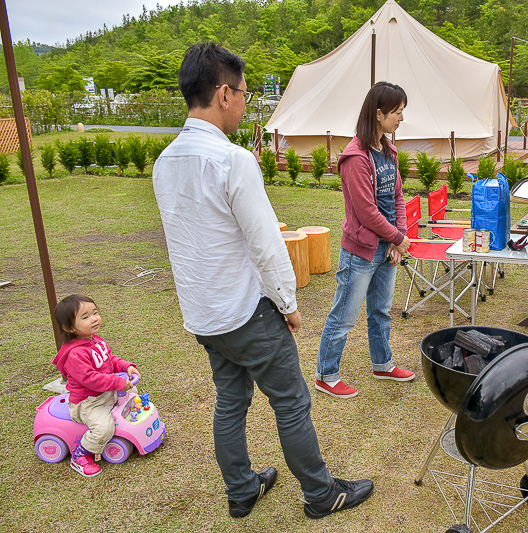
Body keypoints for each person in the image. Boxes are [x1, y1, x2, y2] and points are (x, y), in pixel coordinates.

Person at [152, 42, 373, 519]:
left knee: (230, 400)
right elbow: (266, 244)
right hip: (245, 310)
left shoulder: (165, 160)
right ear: (225, 94)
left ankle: (242, 489)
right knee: (291, 402)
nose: (247, 104)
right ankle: (320, 493)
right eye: (246, 94)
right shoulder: (232, 159)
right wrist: (288, 303)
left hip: (204, 314)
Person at [314, 81, 413, 399]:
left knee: (381, 311)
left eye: (402, 112)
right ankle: (326, 374)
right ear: (379, 113)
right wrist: (397, 238)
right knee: (344, 315)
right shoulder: (355, 157)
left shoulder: (388, 150)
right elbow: (367, 212)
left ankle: (382, 364)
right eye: (397, 112)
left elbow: (397, 194)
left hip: (387, 248)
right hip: (361, 251)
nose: (400, 118)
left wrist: (398, 238)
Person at [52, 294, 140, 477]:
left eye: (95, 313)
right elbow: (92, 379)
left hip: (105, 393)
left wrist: (126, 366)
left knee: (132, 389)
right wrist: (117, 382)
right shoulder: (75, 354)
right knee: (103, 428)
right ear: (68, 327)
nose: (94, 319)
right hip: (89, 402)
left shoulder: (95, 340)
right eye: (85, 317)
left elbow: (109, 359)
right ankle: (81, 456)